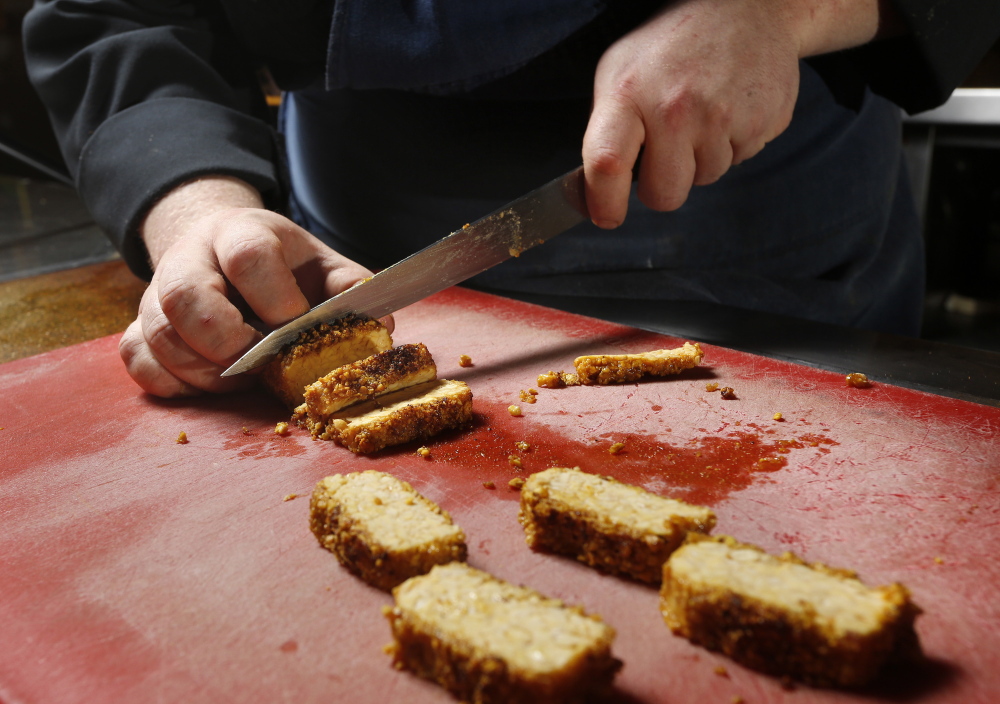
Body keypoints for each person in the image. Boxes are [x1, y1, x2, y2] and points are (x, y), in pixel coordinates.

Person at [23, 0, 1000, 398]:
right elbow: (114, 9)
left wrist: (781, 11)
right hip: (344, 256)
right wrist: (197, 210)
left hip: (772, 239)